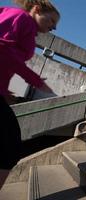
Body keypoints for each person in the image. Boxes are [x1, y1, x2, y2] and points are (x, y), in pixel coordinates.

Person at [0, 0, 60, 189]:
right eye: (51, 20)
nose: (53, 27)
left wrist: (5, 91)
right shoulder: (22, 18)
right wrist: (36, 81)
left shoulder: (25, 26)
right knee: (9, 147)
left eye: (55, 25)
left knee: (8, 145)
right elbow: (3, 49)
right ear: (36, 10)